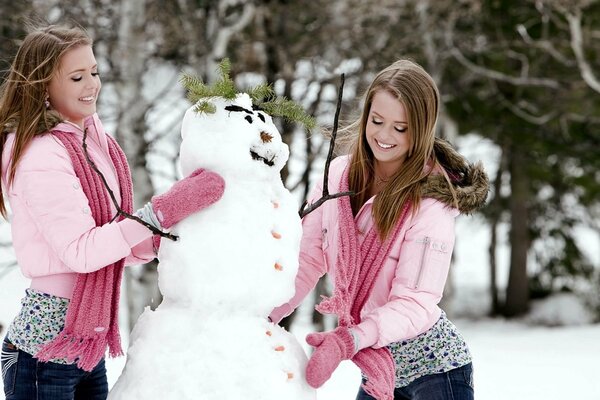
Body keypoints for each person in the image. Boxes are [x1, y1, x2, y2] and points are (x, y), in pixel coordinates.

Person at [0, 24, 224, 400]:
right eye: (76, 77)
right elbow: (83, 251)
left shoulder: (94, 141)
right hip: (43, 354)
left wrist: (169, 236)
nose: (92, 84)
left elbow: (116, 235)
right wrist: (161, 214)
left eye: (94, 72)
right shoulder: (41, 153)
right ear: (42, 87)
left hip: (85, 342)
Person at [270, 59, 489, 400]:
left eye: (401, 128)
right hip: (379, 367)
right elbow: (308, 256)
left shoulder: (430, 200)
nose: (385, 136)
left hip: (436, 373)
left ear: (421, 129)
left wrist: (350, 339)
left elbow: (415, 303)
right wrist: (263, 313)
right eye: (377, 121)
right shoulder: (338, 177)